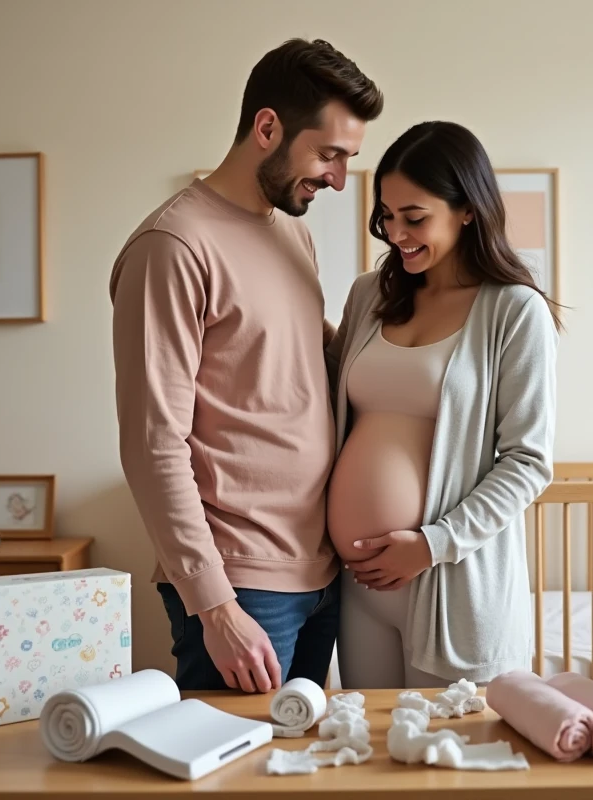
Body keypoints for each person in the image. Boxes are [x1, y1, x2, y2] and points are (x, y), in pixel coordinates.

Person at [109, 39, 383, 694]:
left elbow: (307, 363)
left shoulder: (292, 231)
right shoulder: (173, 246)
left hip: (319, 573)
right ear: (267, 128)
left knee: (293, 769)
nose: (340, 179)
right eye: (330, 154)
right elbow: (153, 443)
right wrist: (214, 605)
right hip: (241, 585)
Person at [324, 121, 561, 689]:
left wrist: (430, 546)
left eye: (414, 217)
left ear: (468, 210)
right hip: (359, 588)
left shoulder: (513, 310)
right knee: (373, 758)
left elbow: (529, 462)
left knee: (451, 764)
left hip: (454, 583)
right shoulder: (370, 296)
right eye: (386, 215)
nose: (396, 233)